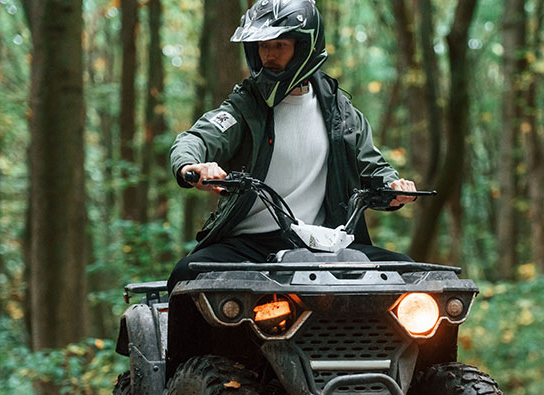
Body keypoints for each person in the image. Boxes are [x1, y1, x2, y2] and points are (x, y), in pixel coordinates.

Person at [167, 0, 417, 292]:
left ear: (305, 47)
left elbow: (374, 168)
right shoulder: (245, 106)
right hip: (249, 246)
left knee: (410, 277)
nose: (268, 55)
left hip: (327, 245)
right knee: (186, 275)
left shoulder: (341, 113)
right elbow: (196, 138)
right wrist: (191, 165)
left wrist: (394, 188)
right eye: (263, 46)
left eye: (279, 45)